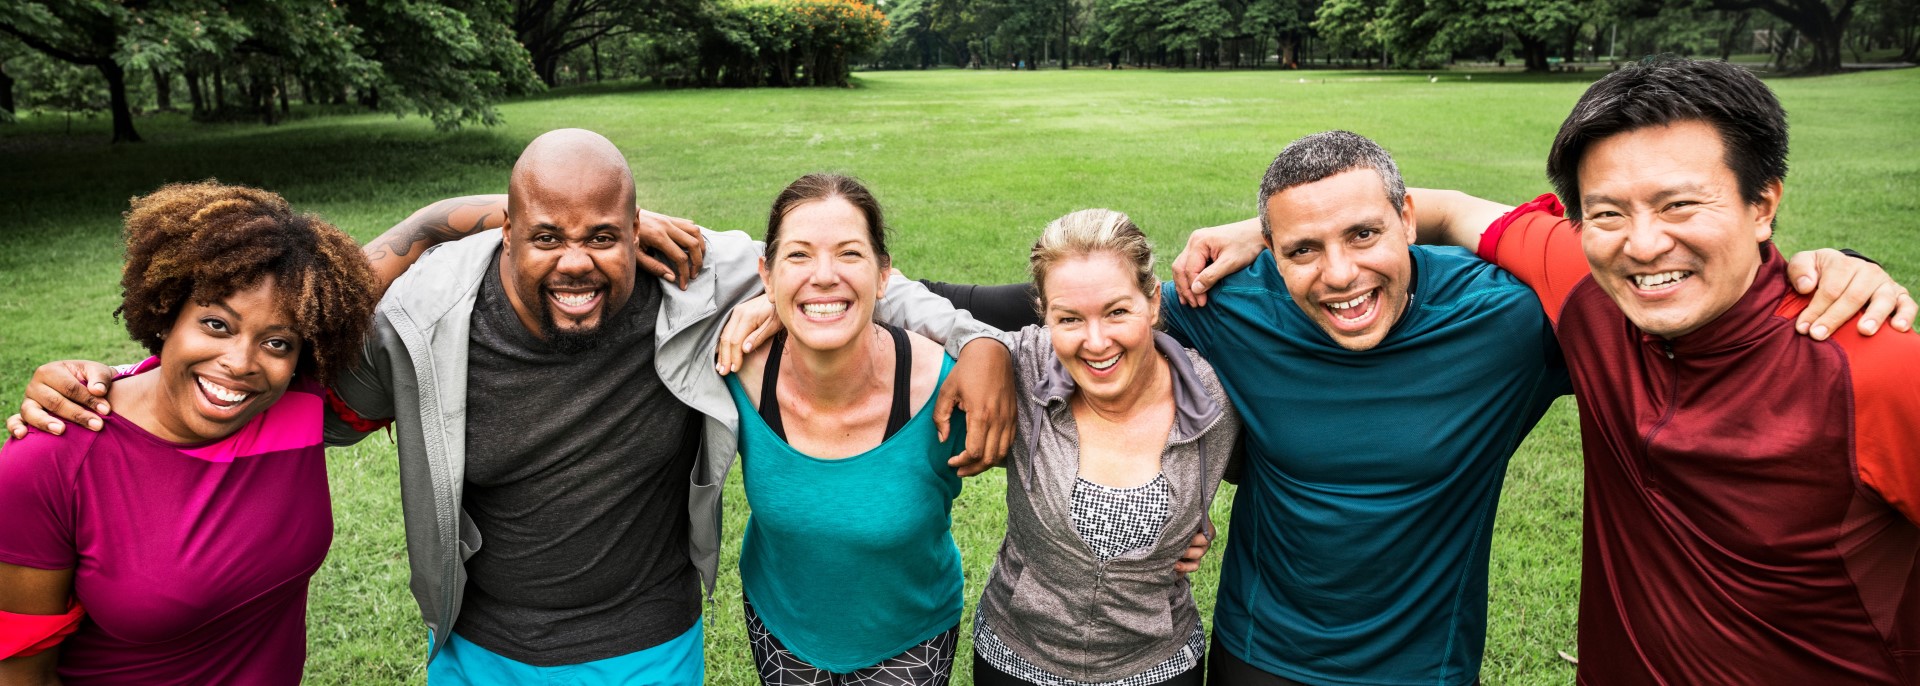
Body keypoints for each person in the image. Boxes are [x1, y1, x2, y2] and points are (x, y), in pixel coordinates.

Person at [887, 131, 1907, 685]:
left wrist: (1835, 268)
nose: (1339, 274)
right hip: (1258, 649)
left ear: (1410, 220)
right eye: (1302, 249)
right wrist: (933, 325)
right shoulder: (1228, 304)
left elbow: (1671, 269)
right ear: (1271, 253)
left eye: (1366, 236)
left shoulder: (1514, 321)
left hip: (1422, 661)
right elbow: (1057, 308)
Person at [6, 129, 1019, 684]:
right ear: (506, 228)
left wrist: (976, 342)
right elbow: (273, 352)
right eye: (545, 235)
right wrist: (110, 380)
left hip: (650, 647)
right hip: (480, 653)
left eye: (604, 235)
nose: (577, 261)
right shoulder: (425, 314)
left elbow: (834, 269)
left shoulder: (696, 274)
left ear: (640, 228)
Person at [1401, 57, 1919, 684]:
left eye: (1679, 205)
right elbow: (1447, 209)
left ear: (1763, 204)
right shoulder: (1587, 287)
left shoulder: (1881, 371)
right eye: (1608, 213)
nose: (1643, 245)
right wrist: (1261, 234)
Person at [0, 182, 378, 684]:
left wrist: (504, 220)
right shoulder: (49, 457)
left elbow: (376, 268)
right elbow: (23, 674)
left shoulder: (298, 400)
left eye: (277, 342)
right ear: (167, 314)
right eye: (216, 325)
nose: (240, 363)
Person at [970, 208, 1239, 686]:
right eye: (1069, 318)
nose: (1096, 342)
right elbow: (902, 292)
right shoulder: (1024, 367)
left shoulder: (1217, 396)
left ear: (1153, 303)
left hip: (1158, 666)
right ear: (1044, 315)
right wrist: (977, 346)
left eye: (1117, 311)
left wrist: (1258, 230)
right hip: (1016, 658)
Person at [726, 173, 971, 684]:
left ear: (884, 276)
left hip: (911, 637)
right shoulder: (736, 373)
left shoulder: (945, 387)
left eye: (849, 254)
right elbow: (608, 237)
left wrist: (1180, 519)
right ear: (765, 277)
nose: (823, 276)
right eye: (798, 255)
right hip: (781, 626)